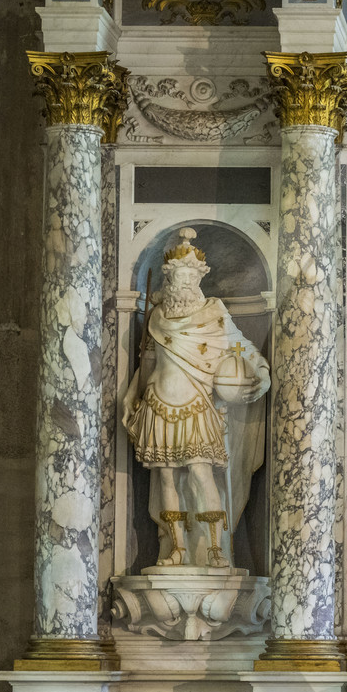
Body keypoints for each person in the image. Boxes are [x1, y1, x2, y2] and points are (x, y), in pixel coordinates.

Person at [122, 229, 271, 569]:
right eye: (177, 276)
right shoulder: (157, 317)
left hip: (195, 406)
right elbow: (147, 363)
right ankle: (176, 549)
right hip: (157, 404)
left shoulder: (213, 314)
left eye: (189, 276)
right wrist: (131, 395)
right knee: (166, 479)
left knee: (201, 475)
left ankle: (217, 550)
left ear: (199, 279)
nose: (183, 283)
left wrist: (260, 376)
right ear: (168, 279)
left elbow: (243, 349)